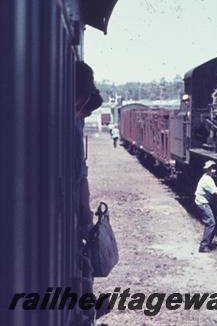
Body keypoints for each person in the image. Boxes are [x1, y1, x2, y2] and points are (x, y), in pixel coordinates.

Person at [74, 60, 103, 325]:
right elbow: (81, 182)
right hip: (71, 218)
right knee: (82, 270)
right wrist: (86, 220)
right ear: (80, 100)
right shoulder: (71, 132)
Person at [195, 160, 217, 252]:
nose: (214, 170)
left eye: (214, 168)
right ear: (207, 170)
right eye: (211, 169)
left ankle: (207, 244)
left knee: (212, 222)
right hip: (202, 203)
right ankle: (203, 246)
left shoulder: (207, 177)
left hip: (203, 202)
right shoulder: (208, 180)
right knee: (211, 222)